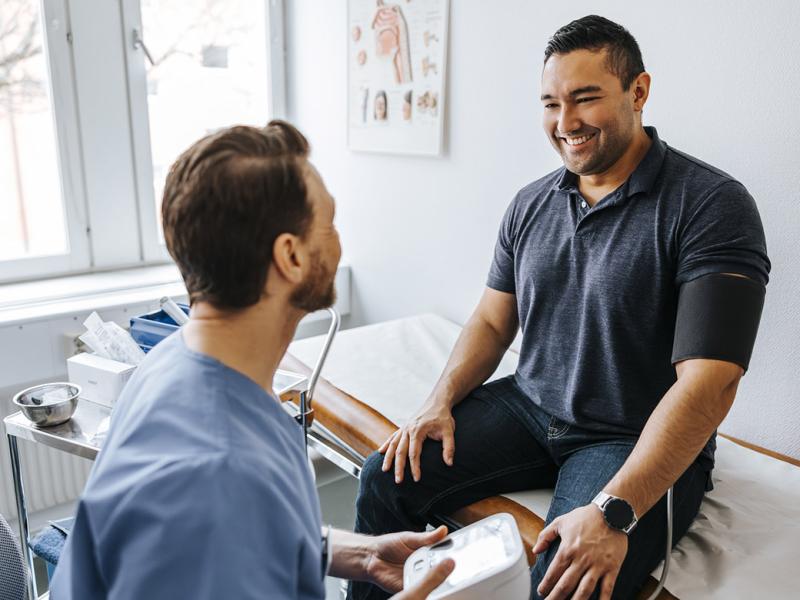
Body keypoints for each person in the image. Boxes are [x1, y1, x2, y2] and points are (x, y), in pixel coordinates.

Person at [352, 15, 770, 600]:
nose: (565, 122)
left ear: (639, 91)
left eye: (585, 98)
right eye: (550, 103)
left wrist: (614, 513)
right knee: (386, 477)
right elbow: (494, 320)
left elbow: (711, 384)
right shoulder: (531, 204)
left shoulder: (710, 205)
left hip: (629, 435)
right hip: (530, 408)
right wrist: (438, 402)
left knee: (563, 581)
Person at [50, 121, 454, 599]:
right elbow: (222, 523)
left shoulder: (173, 360)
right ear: (291, 256)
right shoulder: (221, 473)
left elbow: (246, 537)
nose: (338, 239)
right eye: (330, 223)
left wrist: (359, 554)